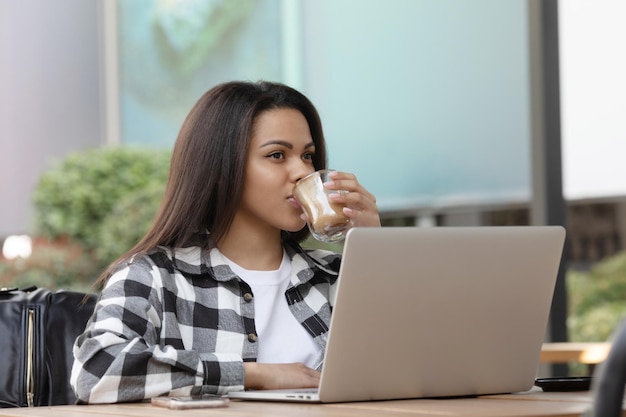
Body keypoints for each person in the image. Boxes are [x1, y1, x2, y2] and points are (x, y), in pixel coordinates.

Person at [70, 81, 381, 404]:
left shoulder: (337, 277)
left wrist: (376, 256)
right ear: (221, 167)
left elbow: (417, 367)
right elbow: (95, 370)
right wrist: (255, 375)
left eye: (308, 155)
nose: (302, 171)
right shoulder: (154, 276)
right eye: (277, 155)